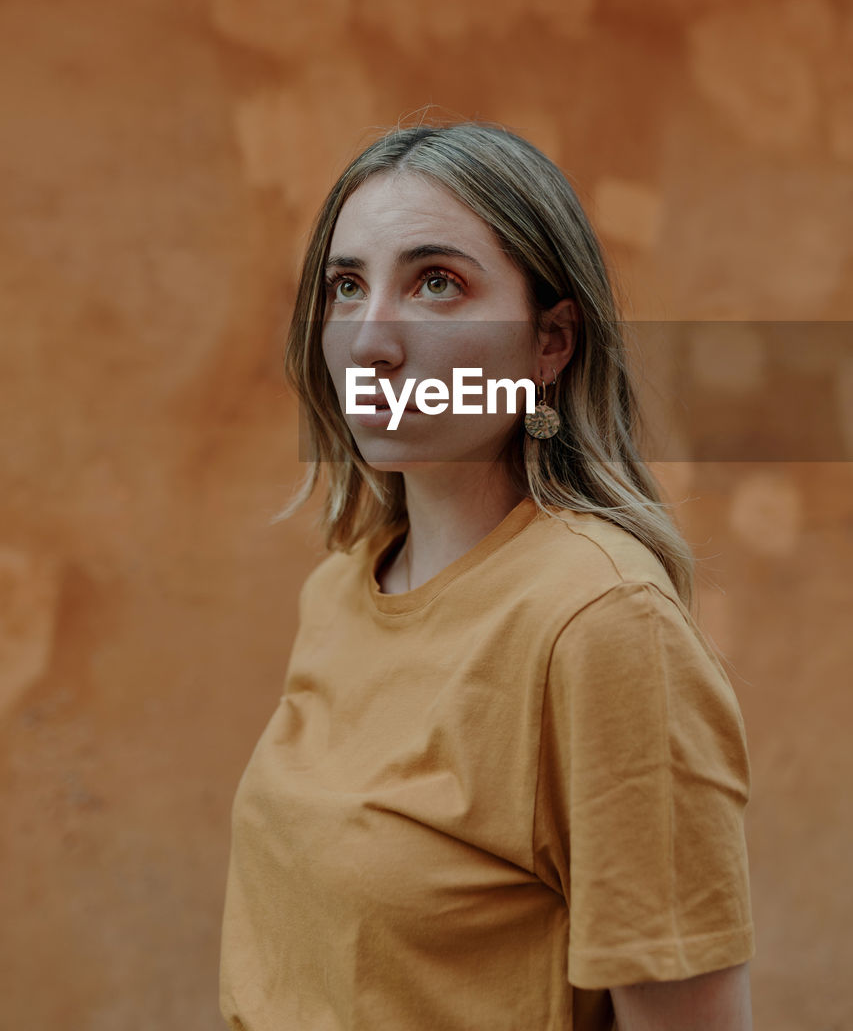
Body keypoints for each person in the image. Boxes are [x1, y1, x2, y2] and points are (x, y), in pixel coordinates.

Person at [219, 120, 755, 1030]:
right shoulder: (343, 590)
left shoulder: (600, 623)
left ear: (549, 343)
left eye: (435, 283)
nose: (369, 341)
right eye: (346, 287)